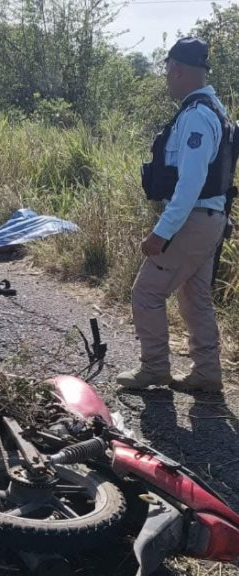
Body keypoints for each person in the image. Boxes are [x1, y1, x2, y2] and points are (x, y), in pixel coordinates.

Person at [118, 37, 234, 393]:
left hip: (192, 220)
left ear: (178, 69)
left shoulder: (197, 116)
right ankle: (207, 373)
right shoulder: (216, 111)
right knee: (194, 297)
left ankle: (154, 369)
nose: (167, 77)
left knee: (146, 293)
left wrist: (161, 232)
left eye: (168, 70)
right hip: (210, 220)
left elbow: (190, 184)